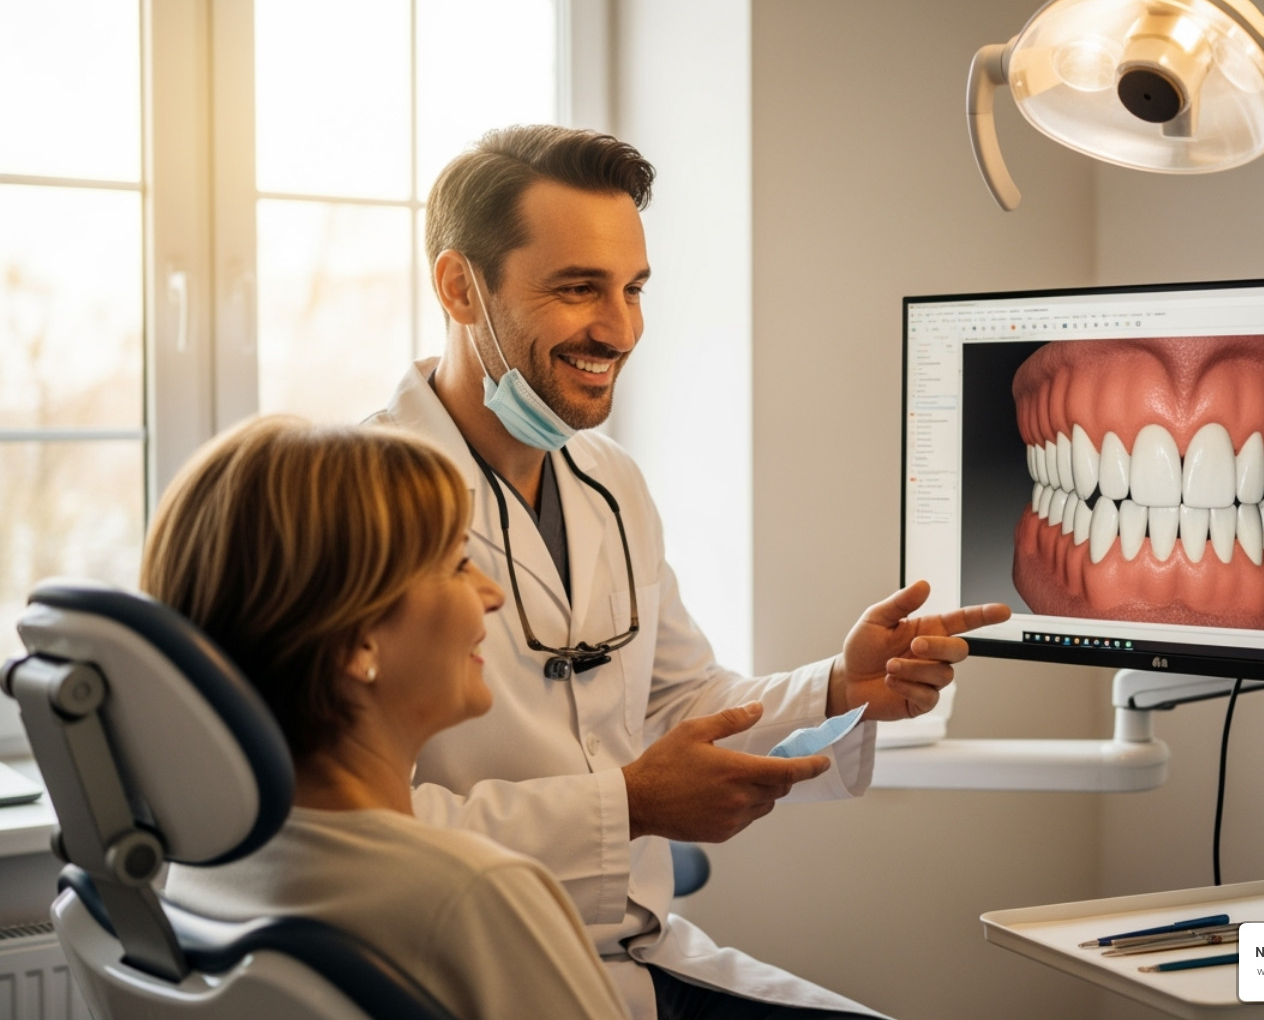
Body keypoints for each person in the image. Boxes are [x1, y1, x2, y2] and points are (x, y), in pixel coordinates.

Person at [373, 124, 1011, 1019]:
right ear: (458, 287)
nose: (621, 328)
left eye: (633, 289)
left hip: (634, 954)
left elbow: (680, 701)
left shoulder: (610, 482)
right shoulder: (355, 507)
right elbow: (351, 828)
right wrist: (623, 806)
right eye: (578, 289)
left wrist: (838, 689)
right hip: (462, 975)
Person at [145, 415, 630, 1020]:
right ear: (358, 642)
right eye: (458, 563)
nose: (492, 593)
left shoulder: (200, 870)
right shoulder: (475, 896)